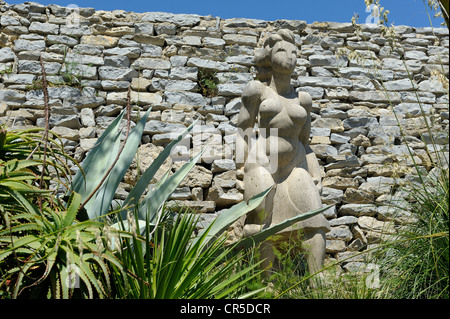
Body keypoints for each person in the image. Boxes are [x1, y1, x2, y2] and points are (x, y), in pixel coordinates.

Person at [236, 29, 330, 277]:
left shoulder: (303, 99)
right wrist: (240, 165)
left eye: (294, 53)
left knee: (314, 220)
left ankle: (317, 283)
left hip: (296, 165)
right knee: (261, 222)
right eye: (281, 51)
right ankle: (263, 284)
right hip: (262, 163)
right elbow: (244, 129)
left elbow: (304, 141)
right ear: (268, 55)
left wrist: (315, 170)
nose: (289, 57)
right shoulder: (256, 90)